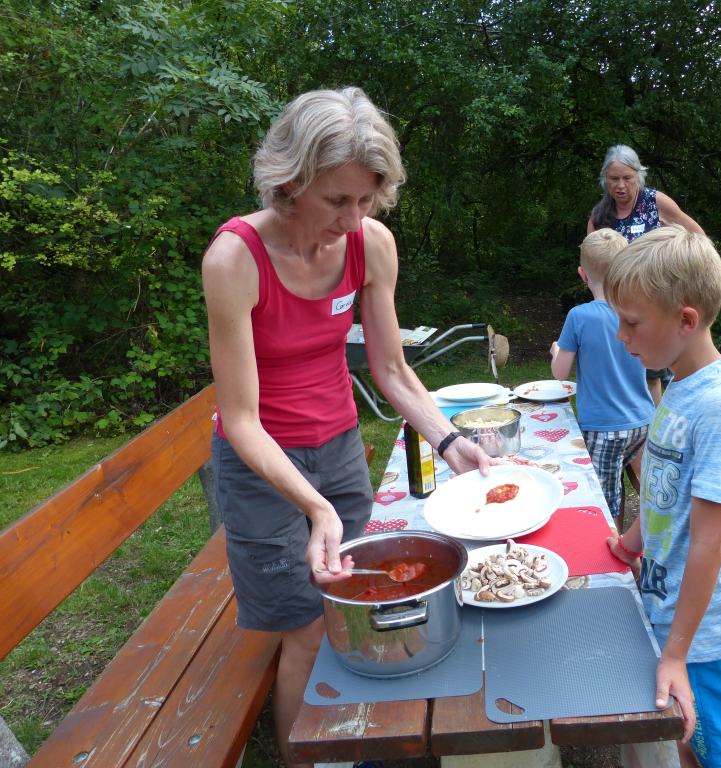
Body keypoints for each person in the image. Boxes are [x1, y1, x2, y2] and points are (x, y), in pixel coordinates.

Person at [201, 87, 492, 768]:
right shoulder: (235, 260)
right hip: (260, 466)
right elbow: (240, 419)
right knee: (306, 628)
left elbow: (390, 369)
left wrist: (450, 441)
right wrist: (315, 506)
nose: (354, 218)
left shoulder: (371, 245)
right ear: (290, 181)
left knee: (354, 602)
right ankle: (304, 759)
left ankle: (360, 740)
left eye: (366, 199)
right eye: (337, 199)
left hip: (336, 447)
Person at [604, 224, 721, 768]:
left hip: (707, 628)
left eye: (631, 323)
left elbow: (709, 543)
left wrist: (676, 652)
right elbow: (662, 488)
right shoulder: (682, 381)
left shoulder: (719, 407)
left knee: (719, 748)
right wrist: (630, 543)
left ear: (686, 321)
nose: (621, 336)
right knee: (684, 733)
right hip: (672, 601)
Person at [550, 228, 654, 528]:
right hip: (643, 423)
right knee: (622, 485)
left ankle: (610, 546)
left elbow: (559, 373)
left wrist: (556, 350)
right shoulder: (639, 311)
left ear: (583, 274)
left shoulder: (579, 316)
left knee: (603, 501)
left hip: (604, 429)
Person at [586, 144, 704, 404]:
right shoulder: (599, 216)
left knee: (656, 373)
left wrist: (681, 270)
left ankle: (664, 419)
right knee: (625, 375)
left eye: (627, 178)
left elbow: (697, 236)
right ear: (605, 179)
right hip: (616, 308)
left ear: (638, 175)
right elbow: (590, 261)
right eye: (614, 179)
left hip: (658, 302)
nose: (621, 186)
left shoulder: (654, 202)